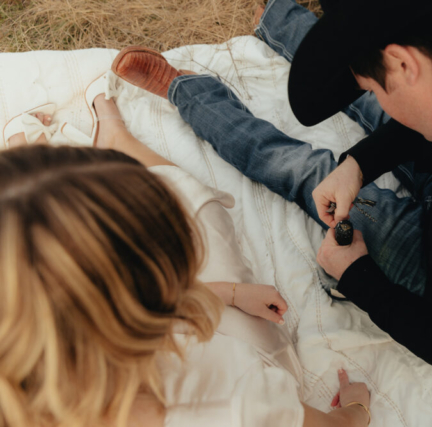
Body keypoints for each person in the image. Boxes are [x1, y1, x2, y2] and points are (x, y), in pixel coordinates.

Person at [111, 0, 432, 382]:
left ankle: (184, 90)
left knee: (304, 171)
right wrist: (360, 162)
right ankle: (280, 19)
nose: (378, 104)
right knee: (372, 134)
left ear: (406, 65)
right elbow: (419, 100)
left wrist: (356, 275)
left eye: (375, 86)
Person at [0, 82, 371, 427]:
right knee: (196, 205)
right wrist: (356, 408)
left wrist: (230, 293)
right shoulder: (228, 388)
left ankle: (31, 185)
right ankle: (113, 137)